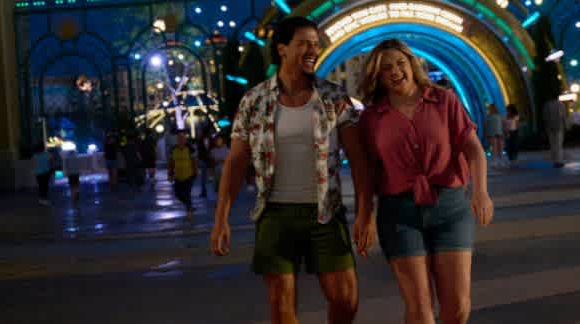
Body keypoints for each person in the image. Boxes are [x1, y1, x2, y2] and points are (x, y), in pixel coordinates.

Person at [210, 17, 372, 324]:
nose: (313, 49)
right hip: (275, 214)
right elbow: (235, 162)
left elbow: (359, 159)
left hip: (325, 212)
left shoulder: (335, 98)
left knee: (345, 299)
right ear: (282, 49)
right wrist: (221, 219)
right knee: (280, 303)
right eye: (304, 43)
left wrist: (365, 213)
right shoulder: (254, 101)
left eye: (315, 43)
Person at [358, 39, 493, 324]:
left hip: (451, 209)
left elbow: (474, 150)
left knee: (457, 306)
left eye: (400, 63)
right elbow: (368, 172)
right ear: (377, 76)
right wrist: (365, 214)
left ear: (412, 64)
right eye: (386, 68)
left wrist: (480, 192)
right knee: (420, 310)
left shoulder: (444, 100)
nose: (395, 71)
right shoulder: (371, 118)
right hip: (399, 214)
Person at [168, 130, 198, 219]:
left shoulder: (190, 149)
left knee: (187, 193)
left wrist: (195, 172)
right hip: (178, 175)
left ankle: (189, 212)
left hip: (189, 175)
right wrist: (170, 174)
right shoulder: (173, 149)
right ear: (177, 139)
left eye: (183, 137)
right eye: (179, 137)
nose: (181, 139)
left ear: (185, 139)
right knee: (178, 194)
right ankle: (189, 205)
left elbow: (194, 161)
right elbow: (171, 162)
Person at [543, 96, 567, 168]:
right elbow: (563, 116)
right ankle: (559, 161)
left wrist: (546, 126)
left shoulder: (547, 105)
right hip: (559, 126)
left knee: (552, 144)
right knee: (558, 144)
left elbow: (545, 116)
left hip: (550, 127)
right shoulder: (561, 104)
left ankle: (555, 161)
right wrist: (566, 125)